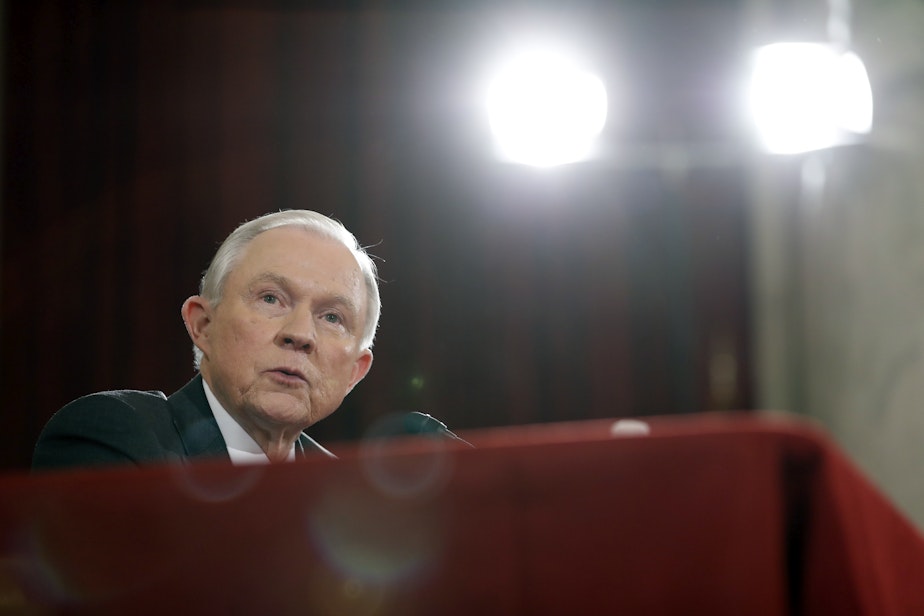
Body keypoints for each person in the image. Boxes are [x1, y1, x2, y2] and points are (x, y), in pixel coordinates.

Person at [32, 210, 379, 469]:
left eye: (332, 317)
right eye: (271, 298)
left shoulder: (349, 496)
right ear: (203, 325)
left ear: (355, 372)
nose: (300, 334)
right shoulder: (114, 437)